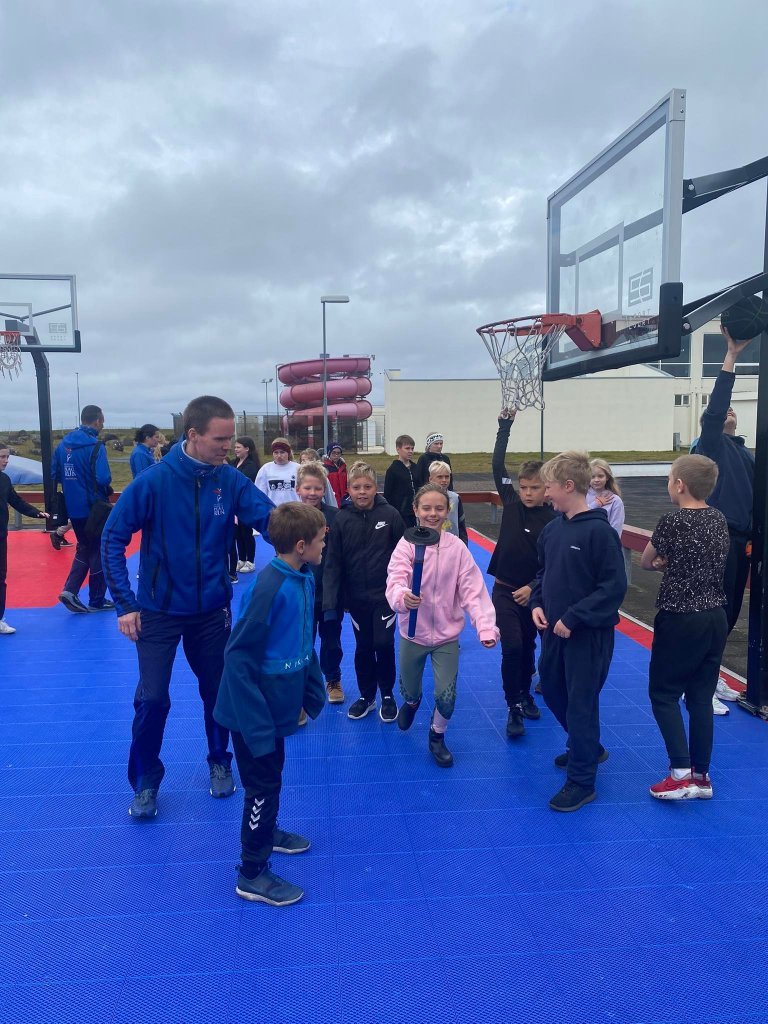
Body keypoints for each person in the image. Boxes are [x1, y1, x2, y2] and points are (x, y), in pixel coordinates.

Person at [101, 395, 275, 820]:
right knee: (153, 699)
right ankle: (146, 780)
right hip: (158, 611)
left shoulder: (229, 480)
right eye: (220, 439)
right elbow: (112, 538)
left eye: (231, 439)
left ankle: (219, 760)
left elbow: (271, 521)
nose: (228, 447)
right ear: (193, 434)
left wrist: (314, 530)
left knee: (218, 690)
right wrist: (125, 604)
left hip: (211, 610)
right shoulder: (154, 481)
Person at [213, 502, 327, 906]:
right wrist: (257, 725)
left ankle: (268, 831)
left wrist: (310, 689)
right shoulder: (269, 588)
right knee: (260, 787)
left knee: (272, 775)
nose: (324, 545)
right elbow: (237, 657)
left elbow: (301, 639)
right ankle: (252, 871)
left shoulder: (303, 577)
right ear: (301, 545)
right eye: (321, 540)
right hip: (250, 713)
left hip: (272, 706)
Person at [530, 450, 627, 812]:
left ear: (568, 486)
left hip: (587, 636)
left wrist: (574, 618)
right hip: (554, 633)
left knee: (581, 705)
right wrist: (536, 603)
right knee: (553, 690)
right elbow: (543, 574)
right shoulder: (553, 530)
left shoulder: (600, 533)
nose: (546, 493)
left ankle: (582, 781)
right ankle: (588, 747)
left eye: (549, 487)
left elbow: (613, 587)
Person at [386, 482, 498, 767]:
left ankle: (437, 735)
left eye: (439, 508)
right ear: (415, 510)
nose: (432, 514)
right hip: (413, 634)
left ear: (448, 511)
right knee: (409, 690)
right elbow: (395, 579)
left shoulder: (457, 548)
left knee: (446, 696)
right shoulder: (406, 545)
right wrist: (402, 597)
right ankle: (412, 703)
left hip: (447, 637)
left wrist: (485, 626)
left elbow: (473, 590)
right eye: (426, 508)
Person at [640, 455, 729, 800]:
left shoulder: (672, 521)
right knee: (700, 698)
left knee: (663, 694)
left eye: (669, 479)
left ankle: (679, 773)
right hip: (714, 616)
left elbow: (646, 561)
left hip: (680, 617)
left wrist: (665, 563)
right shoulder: (718, 518)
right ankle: (701, 776)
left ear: (679, 485)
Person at [694, 325, 756, 712]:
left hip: (743, 541)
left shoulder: (748, 455)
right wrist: (731, 356)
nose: (728, 413)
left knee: (730, 614)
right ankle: (698, 685)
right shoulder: (711, 447)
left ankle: (711, 675)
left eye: (734, 411)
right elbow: (717, 407)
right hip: (718, 538)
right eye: (721, 414)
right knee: (713, 612)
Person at [488, 410, 557, 738]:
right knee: (512, 647)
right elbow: (497, 465)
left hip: (533, 595)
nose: (528, 493)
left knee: (529, 647)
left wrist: (533, 587)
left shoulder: (554, 520)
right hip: (504, 590)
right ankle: (513, 704)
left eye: (535, 488)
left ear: (547, 489)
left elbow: (553, 564)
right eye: (524, 487)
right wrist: (504, 426)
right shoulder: (511, 503)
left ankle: (526, 694)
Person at [322, 462, 404, 722]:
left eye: (367, 487)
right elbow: (333, 562)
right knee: (364, 646)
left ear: (375, 488)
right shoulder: (342, 519)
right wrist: (332, 602)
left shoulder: (390, 515)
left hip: (385, 596)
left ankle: (387, 695)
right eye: (356, 487)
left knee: (384, 643)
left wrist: (402, 590)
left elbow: (404, 555)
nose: (362, 492)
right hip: (356, 599)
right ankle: (367, 696)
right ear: (348, 489)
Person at [52, 405, 115, 614]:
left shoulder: (62, 446)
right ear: (97, 421)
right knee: (99, 548)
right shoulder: (96, 446)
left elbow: (55, 474)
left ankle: (70, 590)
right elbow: (103, 478)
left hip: (73, 507)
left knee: (85, 546)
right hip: (94, 507)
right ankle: (96, 599)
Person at [296, 462, 345, 705]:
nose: (313, 493)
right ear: (298, 489)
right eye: (308, 488)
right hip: (300, 594)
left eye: (317, 488)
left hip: (329, 594)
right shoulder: (288, 517)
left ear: (324, 489)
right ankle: (301, 687)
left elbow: (342, 556)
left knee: (331, 641)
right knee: (301, 643)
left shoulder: (335, 517)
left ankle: (333, 678)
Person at [0, 442, 50, 634]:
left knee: (0, 578)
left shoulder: (4, 479)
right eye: (2, 457)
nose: (6, 461)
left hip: (0, 537)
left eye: (7, 457)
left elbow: (16, 501)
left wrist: (36, 513)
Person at [230, 436, 261, 576]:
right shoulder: (234, 462)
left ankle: (250, 561)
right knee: (237, 533)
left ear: (247, 449)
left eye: (238, 447)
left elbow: (242, 481)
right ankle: (241, 559)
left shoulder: (251, 465)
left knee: (246, 532)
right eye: (235, 447)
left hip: (246, 504)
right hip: (234, 504)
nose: (235, 449)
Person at [427, 461, 468, 544]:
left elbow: (461, 523)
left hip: (452, 543)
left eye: (447, 477)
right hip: (430, 542)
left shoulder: (455, 498)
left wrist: (464, 543)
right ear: (430, 479)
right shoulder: (424, 498)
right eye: (440, 477)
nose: (444, 480)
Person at [383, 434, 418, 528]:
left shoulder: (416, 468)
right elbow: (388, 494)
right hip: (401, 513)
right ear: (398, 449)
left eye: (412, 448)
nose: (410, 451)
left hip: (417, 511)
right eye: (407, 448)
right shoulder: (393, 470)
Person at [254, 438, 300, 505]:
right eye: (276, 452)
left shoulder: (298, 468)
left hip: (295, 508)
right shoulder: (265, 469)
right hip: (274, 509)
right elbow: (260, 493)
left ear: (288, 453)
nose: (279, 456)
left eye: (282, 452)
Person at [587, 458, 625, 537]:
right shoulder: (581, 495)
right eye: (592, 477)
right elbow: (576, 517)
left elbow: (616, 529)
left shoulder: (615, 501)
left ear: (607, 477)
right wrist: (595, 504)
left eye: (600, 476)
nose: (596, 480)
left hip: (604, 542)